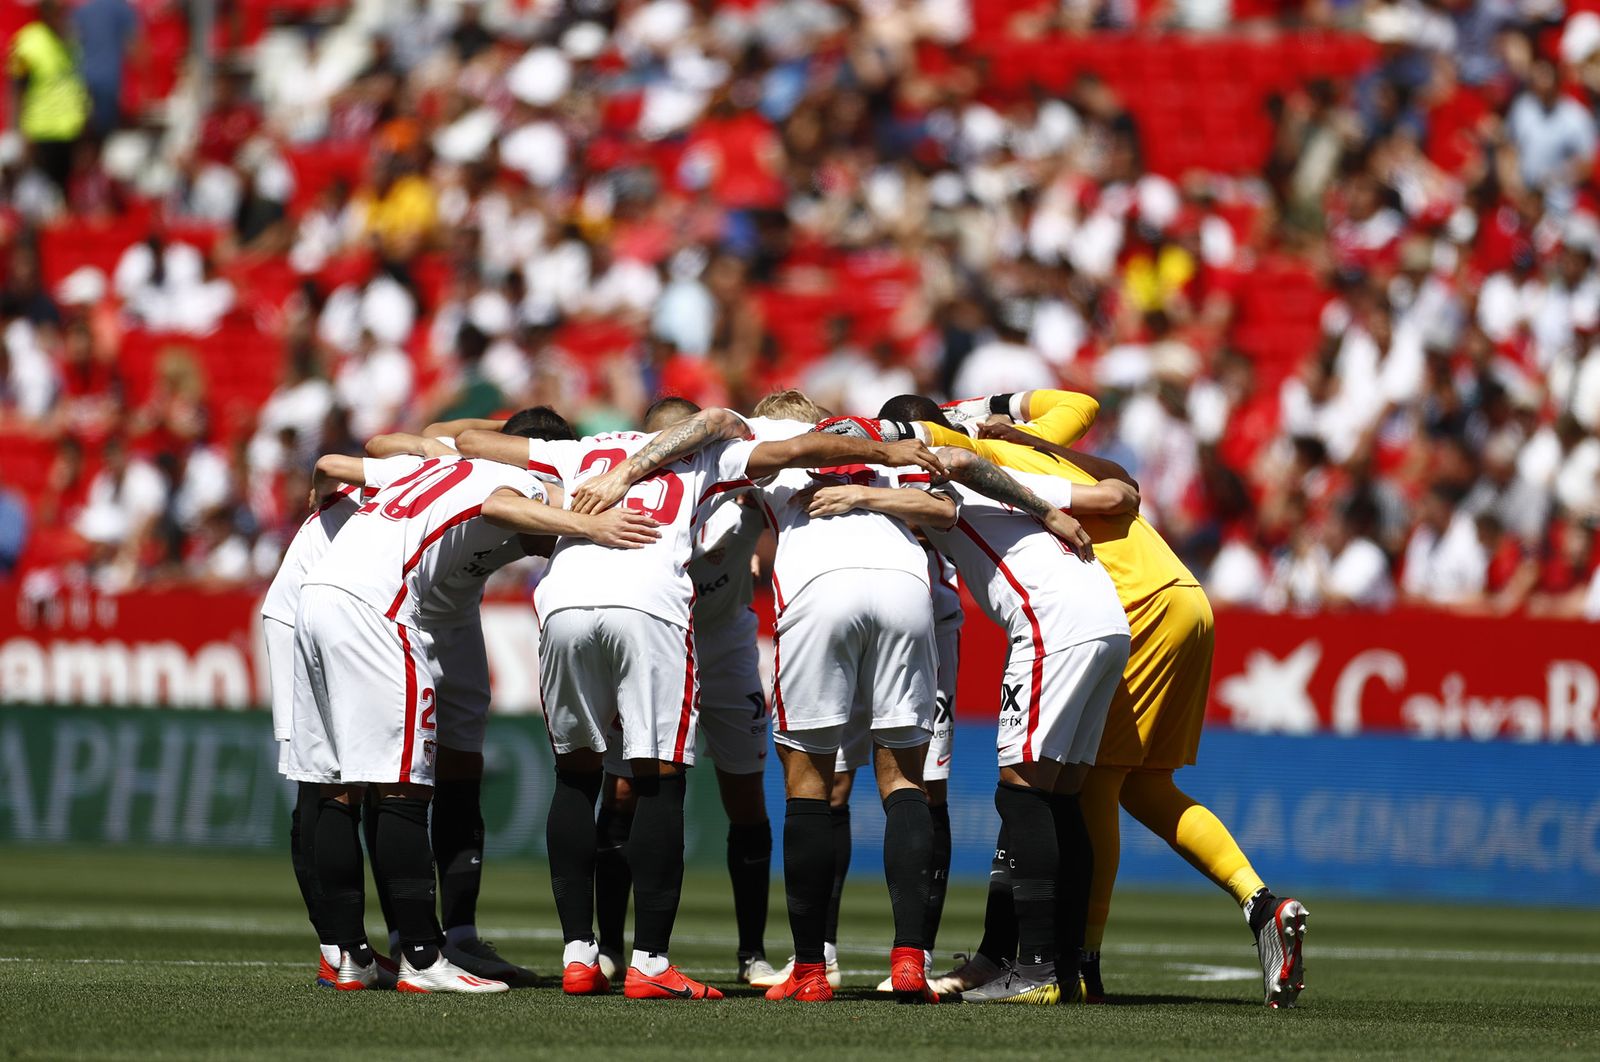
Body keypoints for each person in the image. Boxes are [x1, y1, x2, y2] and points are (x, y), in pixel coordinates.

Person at [827, 389, 1309, 1009]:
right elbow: (1080, 406)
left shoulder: (954, 449)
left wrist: (879, 474)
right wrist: (1010, 412)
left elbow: (947, 469)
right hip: (1180, 592)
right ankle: (1258, 906)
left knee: (1073, 789)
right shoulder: (1016, 440)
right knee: (1138, 785)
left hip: (1121, 601)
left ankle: (1064, 962)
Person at [456, 403, 941, 1001]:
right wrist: (885, 452)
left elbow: (466, 438)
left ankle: (585, 954)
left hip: (573, 600)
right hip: (653, 608)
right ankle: (645, 960)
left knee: (577, 775)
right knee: (658, 778)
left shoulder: (582, 450)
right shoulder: (715, 455)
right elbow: (766, 440)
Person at [286, 410, 659, 994]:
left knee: (334, 782)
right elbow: (500, 507)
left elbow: (338, 464)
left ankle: (350, 957)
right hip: (380, 609)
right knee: (401, 787)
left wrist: (323, 491)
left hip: (318, 600)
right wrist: (588, 525)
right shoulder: (526, 480)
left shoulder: (435, 466)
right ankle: (421, 959)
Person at [823, 444, 1130, 1003]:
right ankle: (1069, 966)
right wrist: (1050, 506)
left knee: (1021, 794)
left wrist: (863, 492)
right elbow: (1118, 494)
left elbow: (950, 489)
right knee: (1062, 796)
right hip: (1108, 622)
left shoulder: (939, 465)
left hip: (1051, 622)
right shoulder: (1019, 481)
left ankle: (1034, 970)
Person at [721, 388, 943, 1004]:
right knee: (903, 781)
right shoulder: (890, 447)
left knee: (809, 783)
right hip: (905, 584)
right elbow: (945, 503)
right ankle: (908, 960)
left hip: (821, 589)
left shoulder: (765, 448)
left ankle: (812, 968)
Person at [590, 396, 778, 986]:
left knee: (745, 799)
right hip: (655, 643)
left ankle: (752, 954)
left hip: (724, 648)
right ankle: (610, 948)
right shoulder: (626, 502)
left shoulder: (738, 490)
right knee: (623, 792)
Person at [7, 0, 89, 194]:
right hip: (41, 131)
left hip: (70, 131)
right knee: (43, 193)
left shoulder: (70, 42)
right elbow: (17, 89)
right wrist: (20, 133)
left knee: (67, 192)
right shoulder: (27, 41)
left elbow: (78, 85)